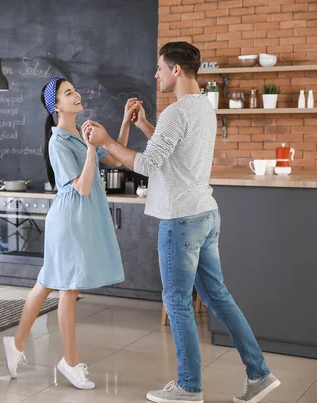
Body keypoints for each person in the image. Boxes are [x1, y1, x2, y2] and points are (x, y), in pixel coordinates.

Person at [83, 42, 280, 403]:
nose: (156, 74)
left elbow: (145, 165)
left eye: (159, 67)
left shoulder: (177, 112)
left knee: (176, 301)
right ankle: (260, 374)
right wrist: (143, 124)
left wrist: (107, 140)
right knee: (218, 297)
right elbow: (172, 152)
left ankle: (189, 387)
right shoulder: (203, 107)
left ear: (176, 70)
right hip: (205, 213)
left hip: (181, 220)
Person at [3, 76, 138, 389]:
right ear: (56, 107)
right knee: (68, 287)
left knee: (48, 282)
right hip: (70, 219)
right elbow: (83, 185)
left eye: (75, 90)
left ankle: (17, 344)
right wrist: (92, 149)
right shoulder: (58, 141)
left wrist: (122, 124)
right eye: (68, 93)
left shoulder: (77, 133)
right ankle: (70, 361)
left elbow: (115, 155)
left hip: (80, 218)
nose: (76, 95)